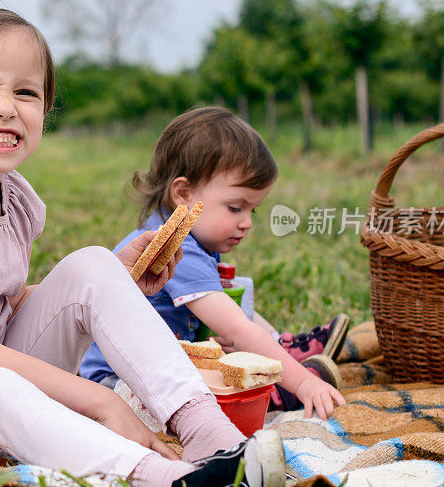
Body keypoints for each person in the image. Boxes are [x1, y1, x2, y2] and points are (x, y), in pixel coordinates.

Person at [0, 9, 287, 487]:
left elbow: (3, 305)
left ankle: (212, 439)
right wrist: (104, 403)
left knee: (93, 263)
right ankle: (163, 478)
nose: (6, 107)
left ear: (44, 114)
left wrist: (117, 277)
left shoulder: (14, 198)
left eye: (26, 92)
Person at [80, 107, 347, 420]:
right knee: (207, 399)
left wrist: (273, 343)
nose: (246, 223)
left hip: (151, 374)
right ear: (184, 194)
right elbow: (237, 330)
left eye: (253, 211)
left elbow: (237, 315)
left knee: (222, 362)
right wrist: (302, 381)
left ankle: (279, 359)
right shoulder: (173, 246)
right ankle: (272, 393)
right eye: (235, 208)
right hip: (117, 388)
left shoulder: (195, 241)